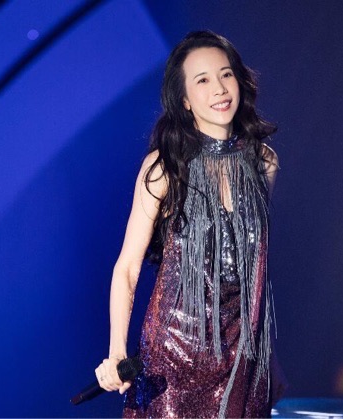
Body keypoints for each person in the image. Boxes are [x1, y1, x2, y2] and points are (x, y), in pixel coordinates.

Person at [94, 30, 286, 418]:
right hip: (174, 358)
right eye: (202, 80)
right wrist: (116, 351)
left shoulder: (264, 162)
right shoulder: (165, 166)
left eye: (226, 74)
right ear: (184, 99)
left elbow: (254, 272)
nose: (219, 88)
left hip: (241, 360)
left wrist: (270, 358)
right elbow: (128, 267)